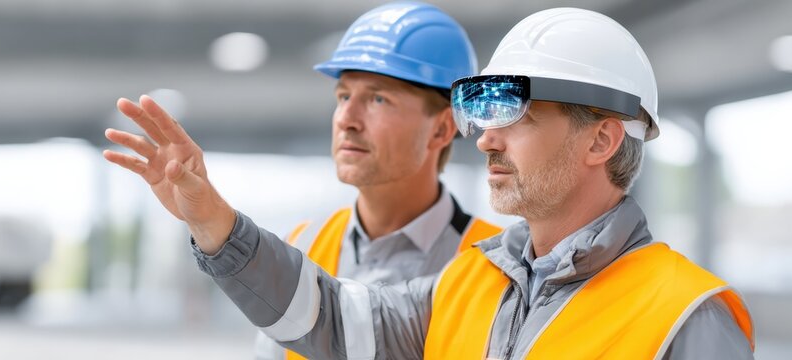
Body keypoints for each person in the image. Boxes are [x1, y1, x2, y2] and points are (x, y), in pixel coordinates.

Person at [104, 7, 755, 360]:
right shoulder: (467, 282)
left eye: (514, 115)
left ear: (601, 139)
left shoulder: (683, 316)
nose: (486, 138)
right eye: (483, 114)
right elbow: (329, 319)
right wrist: (210, 217)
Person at [103, 2, 500, 359]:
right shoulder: (305, 245)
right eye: (344, 96)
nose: (348, 118)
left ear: (442, 129)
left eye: (378, 98)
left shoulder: (488, 270)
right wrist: (206, 219)